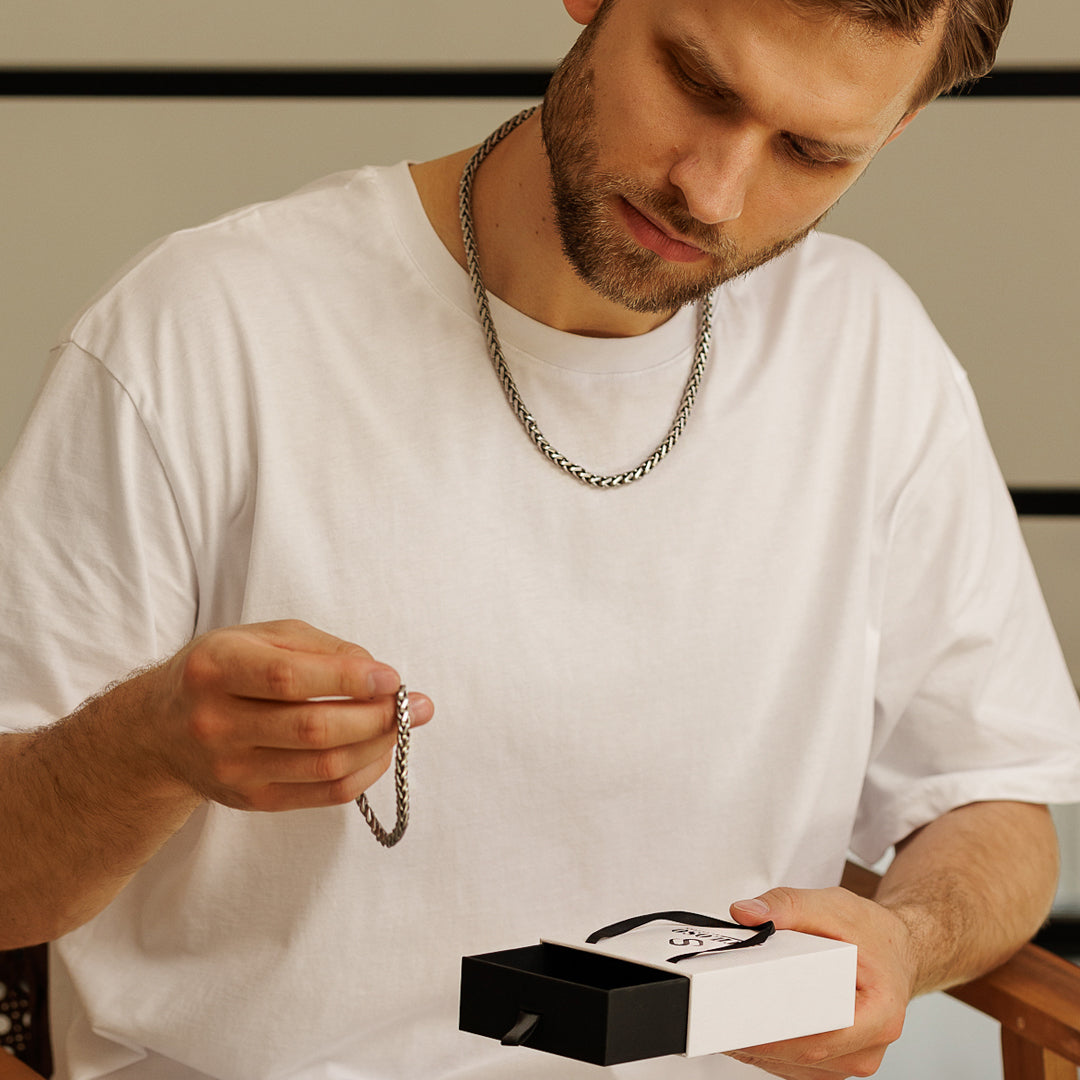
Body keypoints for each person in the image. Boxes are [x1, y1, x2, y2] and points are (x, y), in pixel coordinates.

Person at [1, 0, 1078, 1076]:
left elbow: (996, 804)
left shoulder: (869, 353)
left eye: (809, 150)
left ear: (891, 133)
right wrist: (147, 743)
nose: (712, 192)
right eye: (699, 83)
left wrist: (906, 938)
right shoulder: (197, 332)